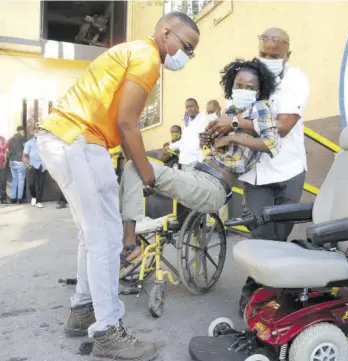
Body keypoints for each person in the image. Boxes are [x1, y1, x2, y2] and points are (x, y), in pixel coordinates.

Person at [36, 11, 200, 361]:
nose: (186, 55)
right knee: (107, 238)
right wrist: (148, 174)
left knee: (91, 234)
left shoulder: (131, 52)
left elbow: (121, 122)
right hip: (79, 140)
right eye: (186, 46)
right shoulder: (146, 57)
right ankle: (108, 331)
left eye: (192, 51)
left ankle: (83, 309)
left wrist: (139, 167)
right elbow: (127, 123)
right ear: (165, 32)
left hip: (66, 138)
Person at [119, 58, 279, 265]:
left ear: (258, 91)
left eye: (250, 87)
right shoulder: (230, 112)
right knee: (132, 174)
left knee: (135, 167)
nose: (243, 90)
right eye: (239, 85)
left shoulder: (260, 108)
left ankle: (129, 244)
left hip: (213, 186)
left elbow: (271, 142)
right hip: (197, 173)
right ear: (231, 85)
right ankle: (125, 235)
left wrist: (232, 136)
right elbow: (215, 144)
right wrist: (209, 139)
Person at [206, 27, 310, 315]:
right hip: (255, 174)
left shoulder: (295, 80)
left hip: (288, 169)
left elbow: (284, 125)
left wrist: (236, 125)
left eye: (275, 56)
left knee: (280, 235)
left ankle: (275, 294)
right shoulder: (249, 81)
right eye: (264, 54)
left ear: (287, 54)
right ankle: (254, 291)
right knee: (261, 235)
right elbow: (230, 119)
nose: (268, 59)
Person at [169, 98, 209, 171]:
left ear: (197, 107)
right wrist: (170, 146)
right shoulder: (188, 123)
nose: (189, 109)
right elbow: (184, 141)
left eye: (191, 106)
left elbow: (204, 140)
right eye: (187, 107)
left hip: (195, 161)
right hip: (185, 162)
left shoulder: (204, 119)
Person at [23, 123, 46, 208]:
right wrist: (27, 164)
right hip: (32, 165)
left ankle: (38, 201)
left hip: (43, 166)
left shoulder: (45, 143)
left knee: (40, 185)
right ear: (33, 131)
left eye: (39, 129)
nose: (37, 131)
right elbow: (24, 155)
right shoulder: (29, 143)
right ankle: (34, 197)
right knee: (31, 184)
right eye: (36, 129)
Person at [7, 126, 27, 204]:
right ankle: (20, 198)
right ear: (21, 131)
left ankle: (13, 198)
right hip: (20, 161)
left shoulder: (10, 139)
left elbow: (8, 150)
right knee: (21, 180)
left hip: (12, 162)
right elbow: (26, 150)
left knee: (14, 179)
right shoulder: (23, 138)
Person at [0, 135, 8, 204]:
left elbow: (5, 151)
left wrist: (5, 161)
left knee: (2, 181)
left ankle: (3, 199)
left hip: (2, 164)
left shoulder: (2, 139)